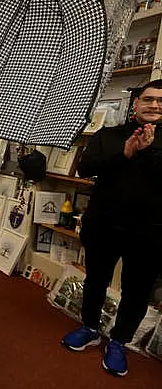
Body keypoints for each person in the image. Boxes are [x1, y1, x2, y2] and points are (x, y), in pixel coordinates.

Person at [61, 79, 162, 377]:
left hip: (149, 232)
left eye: (161, 101)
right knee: (95, 280)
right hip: (104, 225)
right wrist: (126, 153)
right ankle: (90, 327)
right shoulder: (109, 135)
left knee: (137, 292)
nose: (155, 105)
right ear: (136, 104)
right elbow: (85, 168)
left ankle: (118, 342)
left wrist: (147, 152)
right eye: (149, 99)